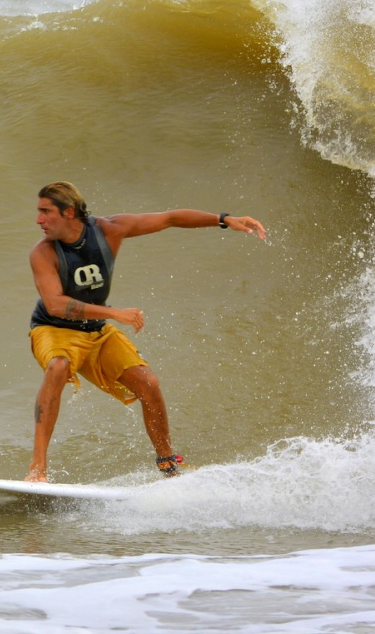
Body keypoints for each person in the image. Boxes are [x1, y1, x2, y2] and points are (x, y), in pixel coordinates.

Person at [26, 181, 266, 482]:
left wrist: (223, 219)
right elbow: (56, 304)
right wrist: (114, 313)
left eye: (46, 212)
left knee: (148, 384)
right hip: (53, 329)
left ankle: (168, 466)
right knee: (57, 366)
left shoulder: (110, 229)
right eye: (39, 212)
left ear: (69, 212)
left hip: (96, 331)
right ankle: (37, 470)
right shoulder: (43, 253)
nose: (38, 220)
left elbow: (169, 218)